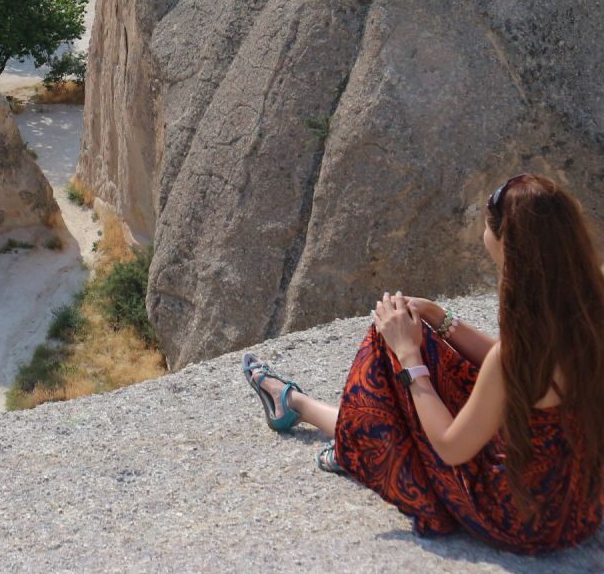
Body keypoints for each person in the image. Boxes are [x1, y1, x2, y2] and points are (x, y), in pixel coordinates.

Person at [241, 175, 604, 554]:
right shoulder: (586, 315)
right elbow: (521, 371)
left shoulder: (514, 356)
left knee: (387, 343)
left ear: (506, 245)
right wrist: (438, 317)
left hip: (519, 518)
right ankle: (300, 407)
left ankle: (334, 433)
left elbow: (450, 448)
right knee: (416, 345)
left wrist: (409, 356)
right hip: (579, 508)